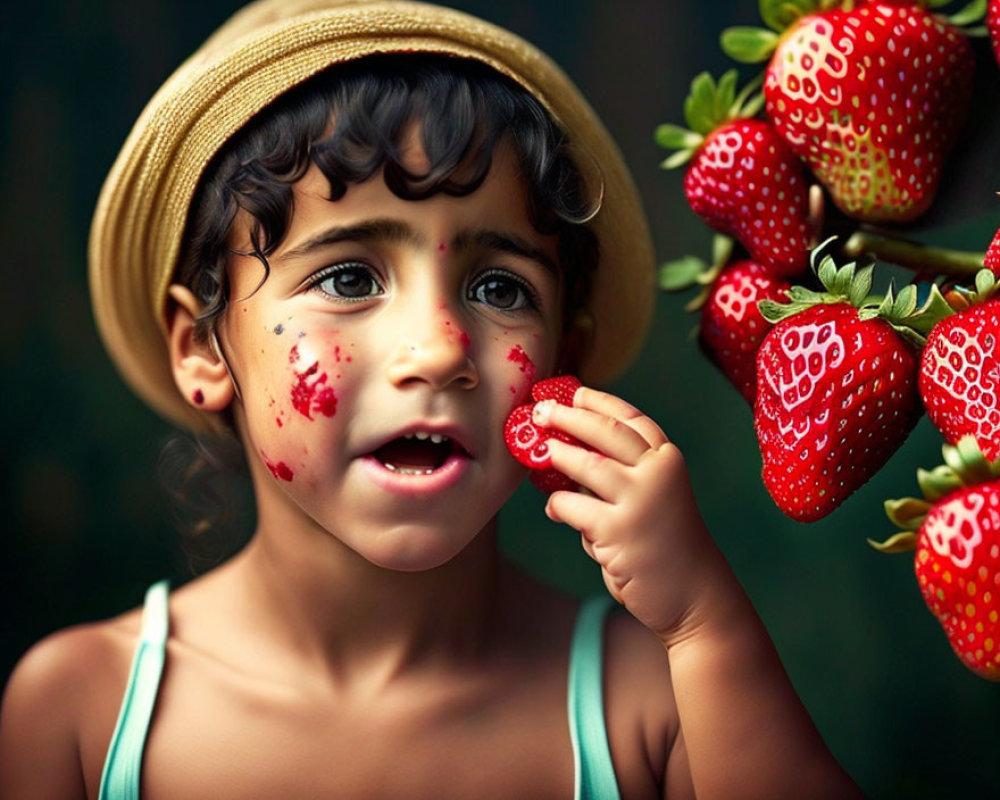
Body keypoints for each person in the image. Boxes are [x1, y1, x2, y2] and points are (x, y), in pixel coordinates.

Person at [0, 1, 862, 798]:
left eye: (498, 288)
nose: (442, 348)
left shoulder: (654, 700)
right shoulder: (84, 712)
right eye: (347, 276)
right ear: (201, 348)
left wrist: (705, 625)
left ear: (565, 356)